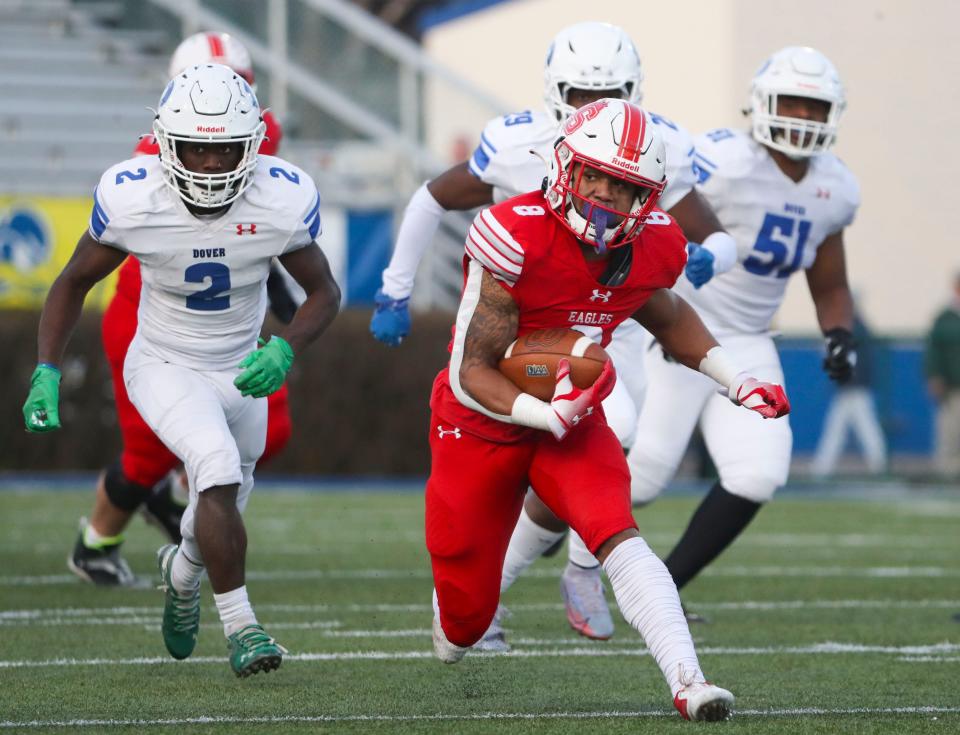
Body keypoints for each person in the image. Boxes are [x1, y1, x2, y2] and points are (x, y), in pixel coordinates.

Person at [372, 21, 736, 645]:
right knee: (589, 442)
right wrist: (394, 287)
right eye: (576, 92)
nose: (593, 106)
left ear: (636, 89)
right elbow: (433, 197)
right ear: (552, 89)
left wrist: (710, 259)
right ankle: (559, 574)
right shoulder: (518, 145)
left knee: (608, 457)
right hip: (526, 334)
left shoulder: (652, 145)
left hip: (614, 322)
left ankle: (566, 571)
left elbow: (716, 234)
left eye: (613, 91)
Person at [426, 98, 789, 721]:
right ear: (566, 165)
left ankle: (689, 681)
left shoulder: (652, 246)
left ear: (644, 199)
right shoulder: (514, 232)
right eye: (593, 174)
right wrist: (543, 415)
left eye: (621, 187)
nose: (601, 193)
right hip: (480, 420)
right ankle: (456, 614)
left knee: (617, 533)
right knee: (461, 629)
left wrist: (734, 378)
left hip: (572, 409)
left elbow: (669, 315)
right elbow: (471, 371)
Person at [22, 64, 341, 676]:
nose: (212, 165)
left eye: (225, 150)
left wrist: (285, 346)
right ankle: (243, 628)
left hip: (239, 366)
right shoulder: (133, 197)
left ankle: (183, 571)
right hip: (164, 362)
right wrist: (47, 370)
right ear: (166, 144)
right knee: (214, 471)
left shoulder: (280, 197)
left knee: (223, 502)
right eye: (196, 147)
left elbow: (323, 292)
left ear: (252, 146)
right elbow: (73, 282)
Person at [627, 46, 859, 607]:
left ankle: (661, 588)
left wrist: (839, 334)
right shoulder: (721, 159)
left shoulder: (836, 188)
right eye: (793, 103)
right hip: (681, 331)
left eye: (814, 108)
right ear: (762, 104)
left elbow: (828, 282)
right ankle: (529, 528)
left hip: (749, 339)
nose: (802, 118)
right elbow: (649, 207)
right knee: (644, 478)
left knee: (758, 471)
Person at [68, 31, 293, 587]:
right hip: (152, 310)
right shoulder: (159, 153)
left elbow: (255, 221)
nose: (222, 101)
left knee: (273, 426)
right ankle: (96, 543)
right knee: (147, 451)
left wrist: (280, 284)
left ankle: (185, 509)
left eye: (238, 85)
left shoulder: (265, 133)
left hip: (224, 314)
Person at [811, 310, 887, 477]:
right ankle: (821, 470)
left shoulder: (855, 328)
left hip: (856, 388)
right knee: (839, 430)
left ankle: (879, 467)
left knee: (864, 429)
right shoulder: (854, 327)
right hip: (849, 388)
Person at [925, 273, 960, 478]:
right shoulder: (944, 318)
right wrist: (935, 376)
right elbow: (933, 350)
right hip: (953, 386)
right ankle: (948, 474)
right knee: (950, 431)